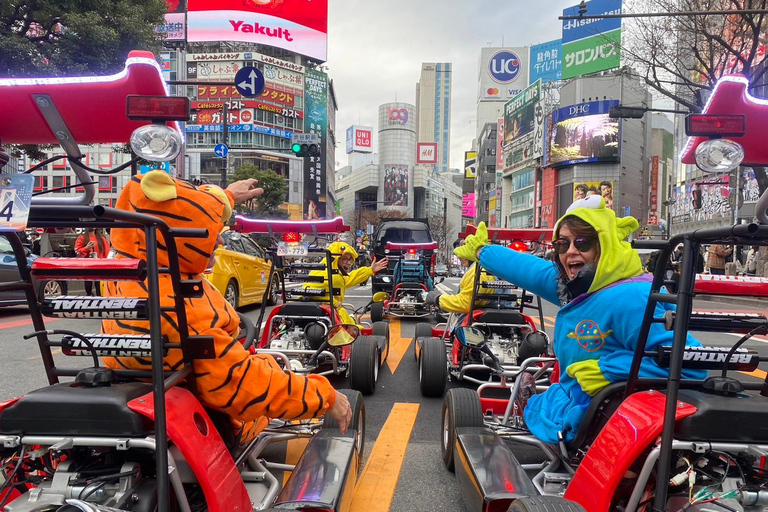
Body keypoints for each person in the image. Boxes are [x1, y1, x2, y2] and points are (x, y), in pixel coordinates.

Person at [102, 171, 352, 446]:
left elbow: (176, 210)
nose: (220, 241)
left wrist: (226, 196)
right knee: (273, 366)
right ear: (178, 236)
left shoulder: (129, 278)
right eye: (211, 232)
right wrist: (324, 395)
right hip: (214, 413)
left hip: (144, 387)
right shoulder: (180, 306)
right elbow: (244, 387)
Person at [455, 196, 706, 444]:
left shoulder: (628, 297)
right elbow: (529, 269)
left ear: (604, 246)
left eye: (583, 242)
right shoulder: (584, 285)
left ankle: (529, 401)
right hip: (593, 400)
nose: (571, 250)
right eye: (562, 244)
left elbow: (692, 361)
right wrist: (482, 251)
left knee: (543, 405)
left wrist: (607, 370)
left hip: (598, 415)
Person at [304, 241, 388, 325]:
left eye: (351, 259)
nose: (349, 263)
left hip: (318, 315)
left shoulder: (329, 272)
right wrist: (334, 302)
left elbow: (348, 279)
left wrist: (370, 270)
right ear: (335, 258)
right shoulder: (331, 275)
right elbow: (310, 289)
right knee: (353, 330)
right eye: (345, 259)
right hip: (327, 316)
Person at [75, 228, 111, 296]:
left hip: (100, 267)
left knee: (99, 287)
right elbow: (77, 252)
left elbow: (107, 253)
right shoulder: (81, 238)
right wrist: (86, 248)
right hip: (86, 267)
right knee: (88, 285)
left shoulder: (102, 238)